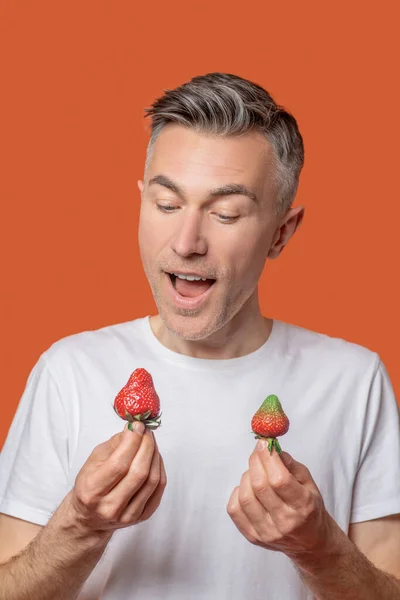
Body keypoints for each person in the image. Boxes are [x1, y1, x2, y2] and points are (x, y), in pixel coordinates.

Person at [0, 72, 399, 600]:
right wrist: (81, 524)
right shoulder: (68, 370)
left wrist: (319, 548)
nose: (187, 242)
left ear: (282, 231)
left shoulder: (354, 379)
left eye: (226, 213)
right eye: (166, 206)